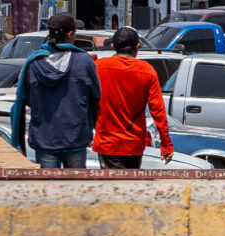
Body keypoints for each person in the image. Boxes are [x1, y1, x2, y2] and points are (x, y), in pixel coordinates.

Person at [10, 12, 100, 169]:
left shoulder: (33, 63)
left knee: (49, 190)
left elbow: (24, 101)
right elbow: (95, 98)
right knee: (77, 190)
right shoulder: (84, 61)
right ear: (70, 34)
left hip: (44, 140)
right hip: (76, 138)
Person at [92, 26, 174, 169]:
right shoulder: (147, 71)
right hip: (134, 144)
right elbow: (158, 110)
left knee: (115, 188)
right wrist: (166, 144)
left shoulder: (99, 68)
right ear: (137, 46)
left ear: (113, 46)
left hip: (107, 143)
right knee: (131, 186)